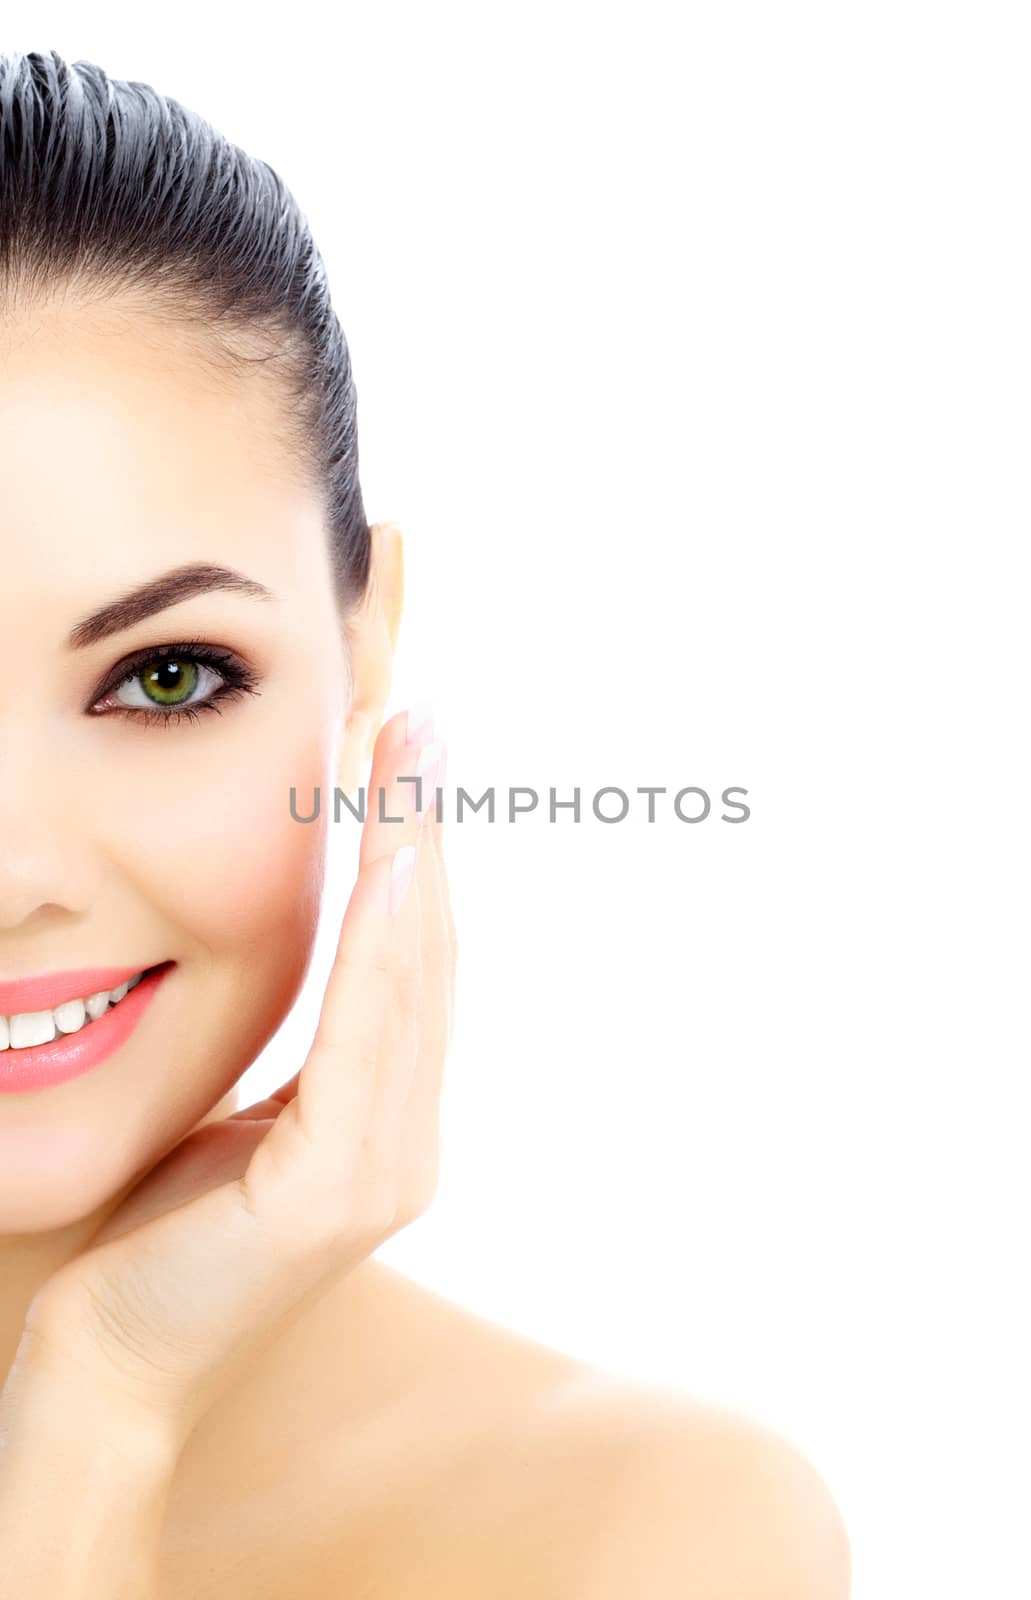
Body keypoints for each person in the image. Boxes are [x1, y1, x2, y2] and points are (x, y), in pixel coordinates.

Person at [0, 48, 850, 1598]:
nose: (14, 875)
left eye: (165, 675)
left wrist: (102, 1407)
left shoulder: (641, 1536)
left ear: (365, 647)